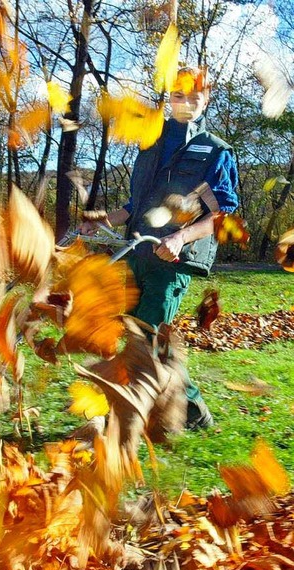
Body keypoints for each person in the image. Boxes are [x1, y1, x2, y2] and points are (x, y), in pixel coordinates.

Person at [81, 66, 239, 429]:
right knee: (141, 336)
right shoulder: (151, 141)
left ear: (206, 98)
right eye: (178, 94)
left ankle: (136, 415)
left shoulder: (215, 152)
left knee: (150, 334)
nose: (185, 102)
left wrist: (180, 237)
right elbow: (135, 206)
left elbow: (221, 216)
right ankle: (193, 409)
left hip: (173, 258)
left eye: (194, 96)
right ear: (170, 97)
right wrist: (103, 221)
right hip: (138, 252)